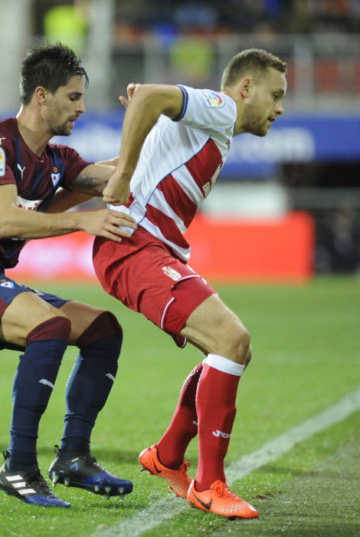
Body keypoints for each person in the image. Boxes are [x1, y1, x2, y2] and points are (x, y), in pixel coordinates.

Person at [0, 43, 138, 508]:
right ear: (42, 95)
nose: (81, 107)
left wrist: (152, 130)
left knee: (102, 329)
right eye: (74, 97)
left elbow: (117, 175)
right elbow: (4, 222)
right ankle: (18, 467)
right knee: (49, 326)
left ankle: (73, 458)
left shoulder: (58, 160)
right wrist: (84, 219)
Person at [97, 48, 287, 519]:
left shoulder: (212, 128)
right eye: (276, 94)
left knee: (230, 351)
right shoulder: (219, 108)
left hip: (151, 250)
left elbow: (150, 115)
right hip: (132, 248)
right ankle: (209, 485)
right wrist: (122, 172)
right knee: (231, 339)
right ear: (246, 88)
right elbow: (146, 96)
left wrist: (131, 156)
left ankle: (166, 456)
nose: (280, 108)